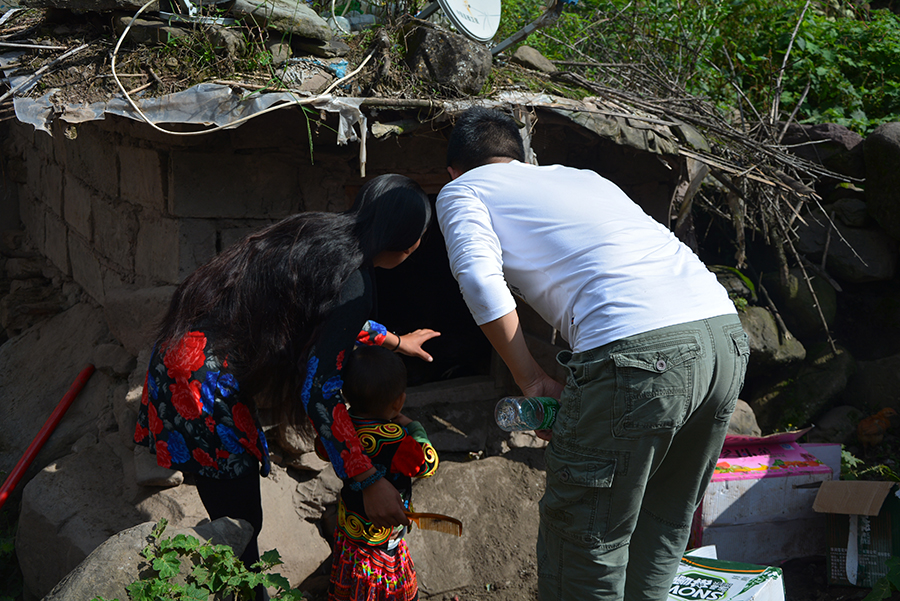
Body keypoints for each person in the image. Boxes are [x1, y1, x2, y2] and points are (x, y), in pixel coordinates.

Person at [435, 107, 750, 601]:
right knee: (662, 520)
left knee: (584, 538)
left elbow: (477, 277)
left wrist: (531, 380)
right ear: (523, 158)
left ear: (454, 169)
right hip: (723, 337)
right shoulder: (583, 179)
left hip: (642, 354)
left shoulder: (464, 189)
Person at [134, 173, 439, 571]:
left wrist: (395, 342)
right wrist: (366, 480)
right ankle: (238, 591)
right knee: (241, 524)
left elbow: (319, 324)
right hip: (201, 385)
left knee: (235, 514)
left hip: (182, 357)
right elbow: (320, 391)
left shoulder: (322, 235)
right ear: (407, 239)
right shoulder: (352, 280)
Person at [318, 344, 439, 601]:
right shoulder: (396, 439)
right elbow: (427, 465)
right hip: (383, 534)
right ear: (399, 401)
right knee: (385, 579)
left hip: (351, 525)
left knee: (353, 574)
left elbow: (321, 448)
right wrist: (413, 426)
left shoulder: (341, 428)